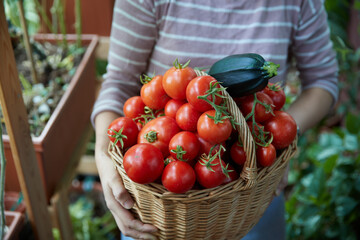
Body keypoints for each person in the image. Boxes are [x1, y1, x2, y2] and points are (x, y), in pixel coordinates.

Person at [91, 0, 339, 239]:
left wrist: (278, 137)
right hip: (158, 208)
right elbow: (119, 82)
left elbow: (322, 81)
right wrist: (103, 154)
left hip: (254, 193)